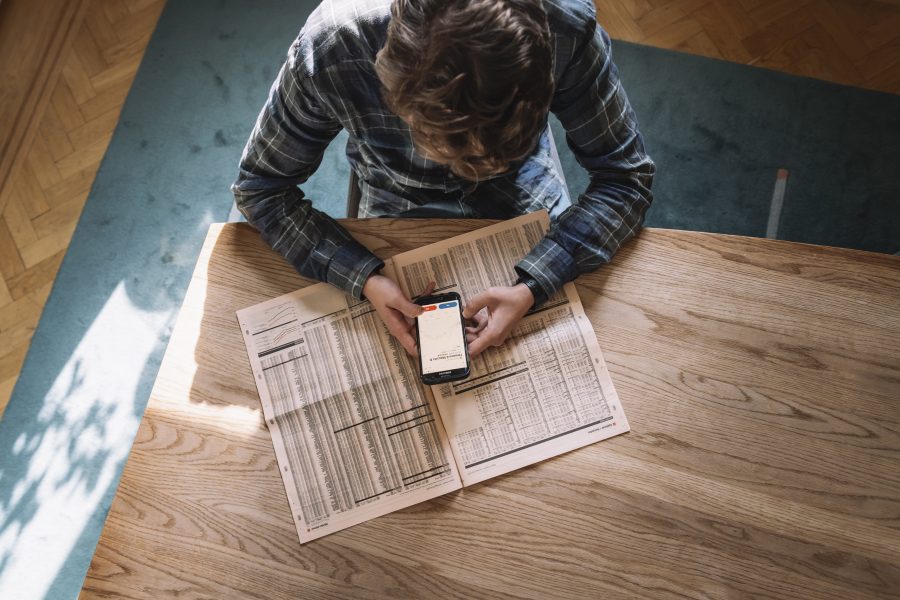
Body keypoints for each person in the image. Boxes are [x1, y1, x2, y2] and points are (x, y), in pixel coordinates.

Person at [232, 0, 654, 358]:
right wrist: (362, 276)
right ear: (389, 72)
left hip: (523, 184)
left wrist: (534, 284)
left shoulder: (567, 26)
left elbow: (626, 177)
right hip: (392, 195)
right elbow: (261, 190)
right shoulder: (332, 45)